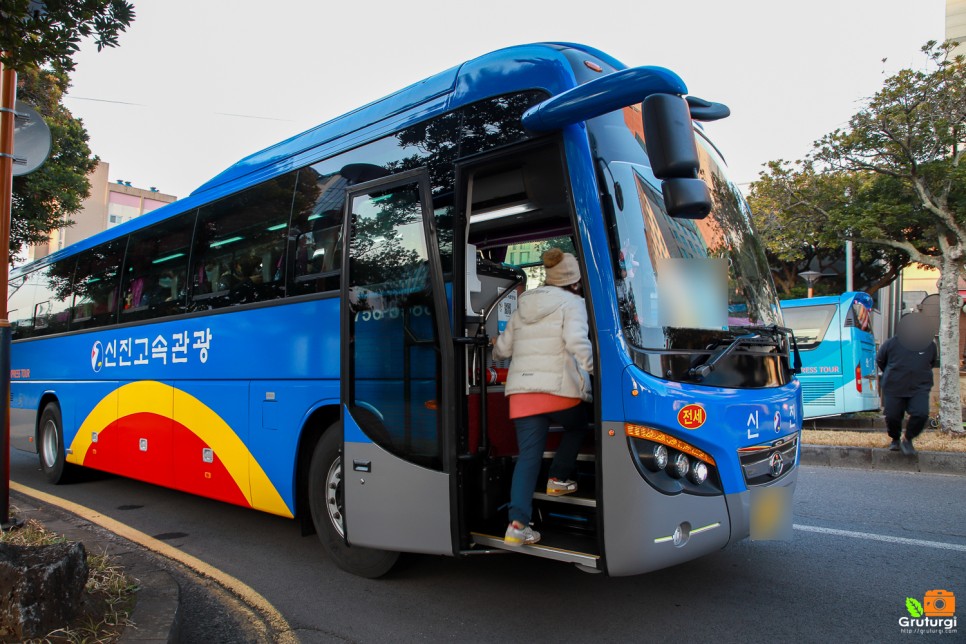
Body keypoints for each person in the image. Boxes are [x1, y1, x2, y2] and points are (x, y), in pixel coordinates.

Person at [492, 248, 594, 546]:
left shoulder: (523, 303)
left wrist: (495, 344)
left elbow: (502, 350)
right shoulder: (574, 304)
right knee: (578, 426)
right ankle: (559, 479)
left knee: (528, 457)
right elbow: (578, 344)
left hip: (522, 395)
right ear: (574, 281)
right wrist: (598, 370)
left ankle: (517, 524)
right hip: (558, 392)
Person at [876, 313, 937, 456]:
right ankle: (895, 439)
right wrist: (892, 373)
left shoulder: (929, 345)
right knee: (892, 416)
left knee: (921, 414)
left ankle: (908, 439)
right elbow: (880, 360)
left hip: (919, 387)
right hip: (894, 386)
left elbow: (932, 362)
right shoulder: (891, 343)